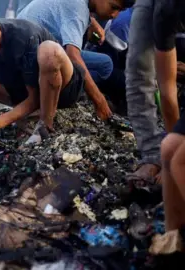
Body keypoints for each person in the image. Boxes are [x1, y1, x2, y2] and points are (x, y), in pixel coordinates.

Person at [0, 4, 86, 144]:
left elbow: (35, 97)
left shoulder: (24, 37)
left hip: (62, 89)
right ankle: (26, 114)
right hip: (22, 86)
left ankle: (44, 126)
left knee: (49, 52)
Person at [17, 0, 135, 121]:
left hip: (28, 47)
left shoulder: (79, 6)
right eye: (113, 7)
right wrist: (99, 101)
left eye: (120, 11)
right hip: (31, 60)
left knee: (105, 64)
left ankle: (75, 88)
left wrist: (90, 22)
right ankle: (63, 95)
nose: (114, 15)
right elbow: (73, 55)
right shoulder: (78, 9)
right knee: (104, 66)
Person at [126, 0, 184, 189]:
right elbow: (167, 89)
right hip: (160, 7)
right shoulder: (166, 9)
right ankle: (153, 155)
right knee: (138, 67)